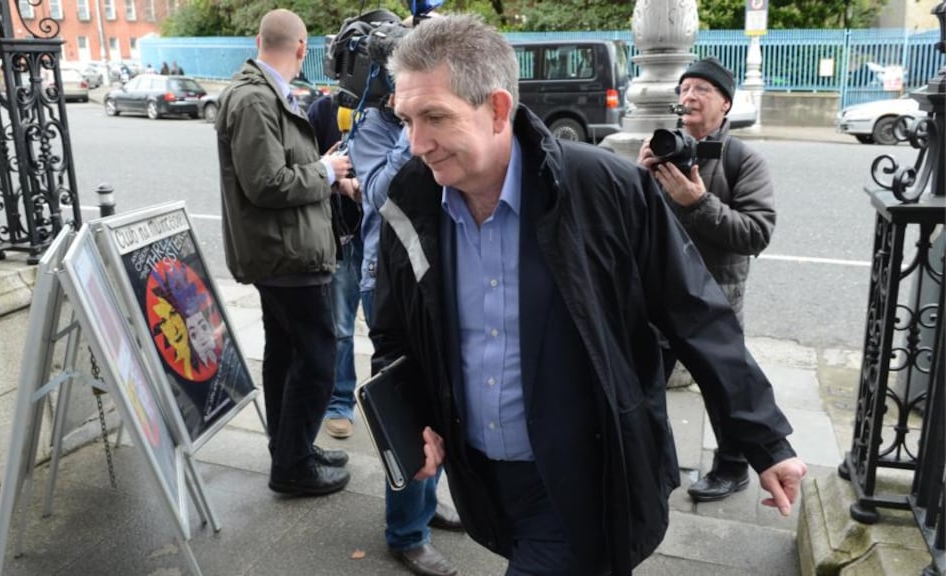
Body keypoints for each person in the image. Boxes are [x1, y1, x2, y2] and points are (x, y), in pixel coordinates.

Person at [369, 14, 808, 575]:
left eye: (435, 117)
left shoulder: (605, 189)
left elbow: (696, 314)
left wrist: (764, 440)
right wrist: (411, 418)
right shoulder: (411, 201)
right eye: (406, 119)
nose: (417, 143)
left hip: (587, 478)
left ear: (498, 109)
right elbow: (394, 332)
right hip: (483, 479)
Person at [215, 8, 355, 497]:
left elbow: (279, 169)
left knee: (286, 354)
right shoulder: (255, 99)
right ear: (301, 48)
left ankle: (290, 449)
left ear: (259, 40)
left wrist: (328, 177)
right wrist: (326, 171)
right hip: (287, 255)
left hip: (281, 250)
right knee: (317, 359)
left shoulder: (264, 92)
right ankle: (293, 466)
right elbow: (267, 184)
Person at [637, 57, 777, 503]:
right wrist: (638, 178)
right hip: (659, 293)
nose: (689, 96)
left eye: (702, 89)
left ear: (725, 103)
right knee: (643, 384)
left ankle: (733, 467)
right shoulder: (661, 149)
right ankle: (643, 463)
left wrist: (698, 201)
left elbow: (756, 233)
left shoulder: (742, 159)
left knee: (723, 385)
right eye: (685, 88)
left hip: (714, 296)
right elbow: (630, 221)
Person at [346, 104, 461, 576]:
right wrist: (408, 132)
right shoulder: (373, 126)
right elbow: (378, 194)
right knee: (408, 402)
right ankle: (407, 533)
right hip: (388, 279)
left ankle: (425, 502)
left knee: (441, 398)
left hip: (431, 274)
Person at [305, 94, 363, 441]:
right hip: (342, 237)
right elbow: (305, 169)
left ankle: (398, 405)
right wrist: (338, 181)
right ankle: (340, 402)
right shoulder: (323, 111)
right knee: (340, 326)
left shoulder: (393, 109)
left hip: (385, 237)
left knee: (393, 328)